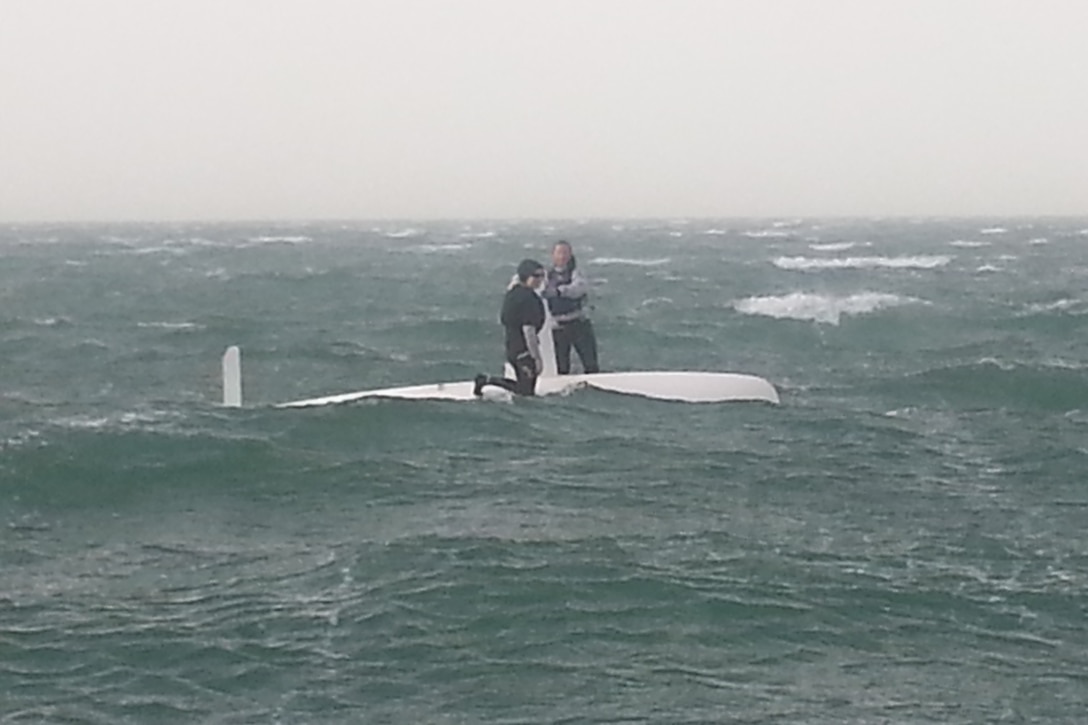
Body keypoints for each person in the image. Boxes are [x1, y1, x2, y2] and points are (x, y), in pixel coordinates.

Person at [474, 259, 547, 397]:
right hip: (524, 351)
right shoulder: (529, 298)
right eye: (536, 276)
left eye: (542, 276)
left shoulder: (512, 293)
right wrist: (536, 357)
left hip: (512, 347)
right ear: (526, 276)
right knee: (526, 391)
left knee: (523, 387)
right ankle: (486, 380)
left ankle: (487, 380)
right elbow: (528, 330)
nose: (540, 280)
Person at [542, 240, 599, 374]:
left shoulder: (576, 272)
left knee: (590, 363)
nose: (562, 256)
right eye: (559, 253)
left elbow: (579, 288)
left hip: (578, 323)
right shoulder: (546, 275)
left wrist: (559, 291)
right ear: (553, 255)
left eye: (565, 253)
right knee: (561, 366)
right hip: (557, 326)